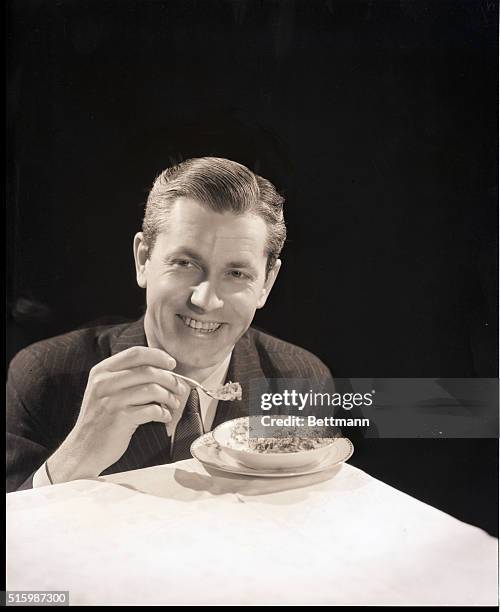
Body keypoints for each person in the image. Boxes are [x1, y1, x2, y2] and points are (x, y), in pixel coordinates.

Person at [6, 157, 356, 493]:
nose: (205, 300)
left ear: (266, 282)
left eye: (236, 273)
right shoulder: (44, 375)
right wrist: (74, 459)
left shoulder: (301, 379)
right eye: (186, 263)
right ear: (144, 260)